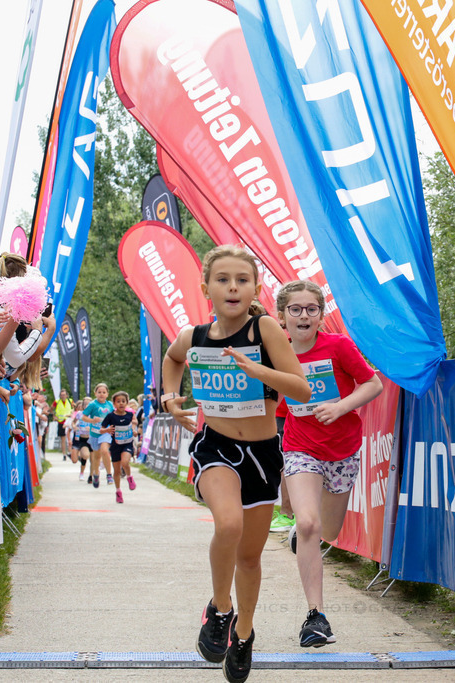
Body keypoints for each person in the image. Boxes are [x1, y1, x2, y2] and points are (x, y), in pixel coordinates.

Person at [162, 245, 310, 683]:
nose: (232, 287)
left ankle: (243, 634)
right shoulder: (194, 336)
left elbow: (301, 389)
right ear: (206, 287)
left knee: (249, 557)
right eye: (223, 279)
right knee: (228, 526)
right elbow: (172, 360)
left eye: (242, 280)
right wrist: (170, 397)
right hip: (217, 447)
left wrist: (256, 368)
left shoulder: (265, 328)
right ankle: (220, 609)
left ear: (255, 288)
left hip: (262, 456)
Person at [275, 280, 383, 648]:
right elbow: (274, 410)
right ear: (282, 316)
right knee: (308, 523)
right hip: (299, 447)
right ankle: (315, 617)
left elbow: (373, 385)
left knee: (329, 533)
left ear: (321, 315)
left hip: (343, 450)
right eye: (295, 309)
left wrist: (340, 406)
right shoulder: (278, 356)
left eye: (311, 309)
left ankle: (302, 530)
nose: (303, 315)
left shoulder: (338, 346)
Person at [100, 391, 137, 503]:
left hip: (127, 444)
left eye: (123, 401)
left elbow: (134, 422)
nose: (121, 403)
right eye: (118, 401)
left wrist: (134, 430)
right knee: (116, 471)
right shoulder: (110, 416)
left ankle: (130, 477)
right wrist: (107, 430)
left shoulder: (130, 415)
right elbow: (101, 429)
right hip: (116, 445)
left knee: (125, 462)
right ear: (114, 404)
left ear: (127, 403)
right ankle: (118, 491)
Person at [81, 383, 114, 489]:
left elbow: (114, 416)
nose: (101, 394)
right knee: (97, 456)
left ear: (107, 394)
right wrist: (92, 420)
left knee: (105, 451)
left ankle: (109, 475)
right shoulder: (92, 404)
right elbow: (84, 417)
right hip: (95, 433)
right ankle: (96, 474)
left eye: (104, 392)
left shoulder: (109, 405)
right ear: (95, 393)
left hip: (106, 432)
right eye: (99, 392)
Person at [53, 389, 74, 460]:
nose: (63, 396)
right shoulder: (57, 401)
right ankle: (64, 454)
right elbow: (51, 408)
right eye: (61, 395)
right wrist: (54, 416)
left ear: (67, 395)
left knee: (70, 437)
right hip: (61, 421)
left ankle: (69, 452)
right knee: (63, 439)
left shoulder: (70, 401)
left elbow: (75, 408)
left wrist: (72, 414)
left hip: (68, 421)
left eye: (64, 395)